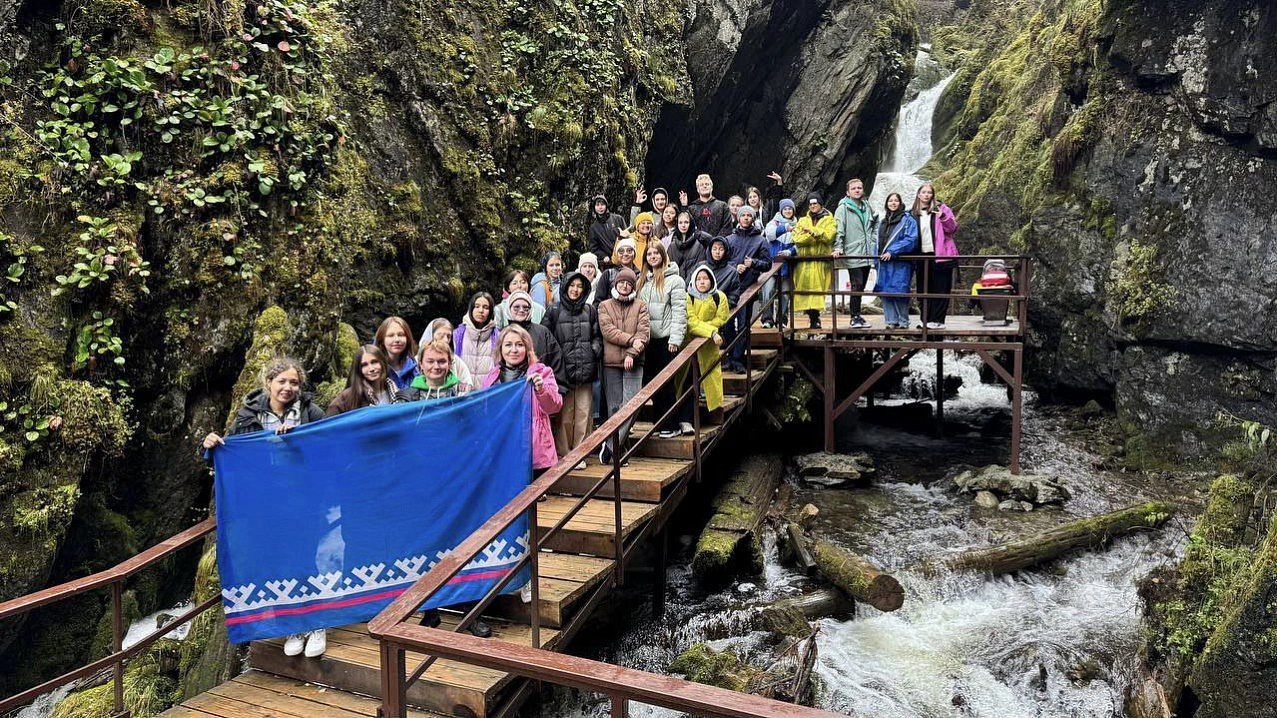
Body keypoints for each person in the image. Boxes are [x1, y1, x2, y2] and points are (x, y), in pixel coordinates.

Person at [201, 357, 328, 658]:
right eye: (281, 381)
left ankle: (318, 623)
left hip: (304, 500)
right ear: (268, 383)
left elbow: (326, 451)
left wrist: (296, 442)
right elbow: (231, 453)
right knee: (280, 563)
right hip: (266, 505)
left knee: (306, 560)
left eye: (293, 382)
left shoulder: (312, 413)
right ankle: (294, 626)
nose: (287, 387)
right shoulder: (248, 416)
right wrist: (210, 445)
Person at [481, 324, 563, 474]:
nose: (514, 350)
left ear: (527, 348)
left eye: (519, 345)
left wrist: (541, 389)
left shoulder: (542, 372)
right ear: (500, 348)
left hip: (534, 451)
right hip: (503, 449)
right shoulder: (491, 378)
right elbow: (484, 414)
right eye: (508, 345)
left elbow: (554, 406)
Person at [541, 272, 601, 467]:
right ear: (565, 287)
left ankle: (580, 452)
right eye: (572, 285)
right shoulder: (554, 310)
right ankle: (564, 453)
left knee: (584, 413)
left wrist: (594, 350)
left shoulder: (590, 310)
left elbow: (596, 336)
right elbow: (545, 337)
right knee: (565, 414)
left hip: (586, 368)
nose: (575, 289)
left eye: (579, 286)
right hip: (563, 371)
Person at [636, 242, 690, 437]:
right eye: (648, 254)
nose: (652, 257)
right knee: (653, 383)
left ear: (663, 255)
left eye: (655, 253)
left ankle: (671, 424)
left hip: (666, 338)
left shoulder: (675, 280)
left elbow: (679, 311)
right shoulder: (643, 280)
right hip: (647, 340)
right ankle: (659, 422)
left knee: (666, 383)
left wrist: (675, 339)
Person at [597, 267, 650, 464]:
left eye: (628, 284)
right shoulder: (604, 306)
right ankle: (621, 451)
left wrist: (631, 353)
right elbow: (608, 330)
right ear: (615, 284)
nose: (625, 286)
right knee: (615, 408)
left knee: (633, 405)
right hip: (610, 362)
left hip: (634, 362)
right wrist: (630, 341)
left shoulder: (641, 306)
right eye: (621, 283)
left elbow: (643, 333)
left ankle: (610, 445)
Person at [683, 263, 730, 418]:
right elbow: (691, 322)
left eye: (705, 279)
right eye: (699, 279)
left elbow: (722, 317)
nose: (702, 282)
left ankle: (714, 403)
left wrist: (708, 329)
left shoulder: (719, 297)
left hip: (710, 344)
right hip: (690, 341)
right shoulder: (688, 297)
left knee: (711, 369)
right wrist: (711, 332)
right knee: (687, 373)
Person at [911, 183, 959, 329]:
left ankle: (938, 320)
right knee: (923, 289)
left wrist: (943, 217)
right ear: (918, 195)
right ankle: (925, 319)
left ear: (933, 195)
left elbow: (952, 228)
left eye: (929, 192)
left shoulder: (942, 209)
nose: (926, 195)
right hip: (921, 256)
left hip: (941, 255)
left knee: (941, 288)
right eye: (923, 192)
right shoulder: (912, 213)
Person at [833, 178, 877, 327]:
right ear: (848, 192)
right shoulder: (843, 208)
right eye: (854, 188)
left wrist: (874, 240)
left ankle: (858, 315)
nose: (857, 190)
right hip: (853, 251)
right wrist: (838, 247)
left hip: (867, 252)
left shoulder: (867, 206)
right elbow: (839, 229)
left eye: (859, 188)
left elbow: (875, 222)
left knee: (862, 285)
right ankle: (855, 317)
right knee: (856, 284)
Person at [505, 290, 567, 394]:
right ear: (508, 308)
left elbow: (556, 361)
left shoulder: (542, 332)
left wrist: (557, 391)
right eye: (516, 307)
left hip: (540, 395)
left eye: (526, 307)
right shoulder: (503, 334)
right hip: (510, 396)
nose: (521, 310)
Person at [873, 192, 919, 330]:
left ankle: (903, 322)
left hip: (900, 262)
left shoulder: (907, 220)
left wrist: (893, 251)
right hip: (883, 262)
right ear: (886, 203)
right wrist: (875, 260)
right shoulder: (883, 221)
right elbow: (877, 241)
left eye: (896, 201)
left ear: (900, 203)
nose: (893, 203)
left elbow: (911, 239)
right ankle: (891, 321)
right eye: (890, 201)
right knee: (885, 291)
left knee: (899, 290)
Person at [791, 193, 836, 329]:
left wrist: (810, 232)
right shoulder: (802, 220)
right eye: (810, 204)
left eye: (815, 203)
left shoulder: (830, 220)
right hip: (804, 262)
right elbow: (797, 239)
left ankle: (816, 319)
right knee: (804, 291)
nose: (812, 206)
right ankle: (812, 318)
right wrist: (815, 235)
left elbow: (829, 236)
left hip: (820, 261)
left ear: (821, 204)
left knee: (818, 291)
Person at [326, 345, 402, 415]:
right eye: (364, 365)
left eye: (374, 362)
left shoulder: (397, 392)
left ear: (382, 363)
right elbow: (328, 425)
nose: (371, 369)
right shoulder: (347, 399)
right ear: (358, 369)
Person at [761, 198, 797, 328]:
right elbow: (769, 235)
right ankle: (767, 319)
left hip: (787, 265)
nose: (788, 211)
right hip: (772, 263)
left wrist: (791, 251)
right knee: (767, 292)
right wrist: (785, 228)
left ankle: (782, 320)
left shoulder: (798, 223)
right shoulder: (774, 222)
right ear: (781, 210)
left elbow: (800, 244)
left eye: (790, 209)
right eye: (785, 209)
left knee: (786, 293)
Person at [399, 340, 472, 401]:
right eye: (430, 362)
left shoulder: (464, 392)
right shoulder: (406, 398)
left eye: (442, 361)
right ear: (421, 364)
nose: (436, 367)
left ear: (449, 364)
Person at [421, 317, 476, 390]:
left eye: (448, 336)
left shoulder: (456, 361)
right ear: (431, 335)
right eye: (440, 335)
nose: (446, 340)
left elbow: (467, 386)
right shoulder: (417, 359)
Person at [454, 291, 498, 379]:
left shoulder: (497, 335)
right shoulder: (458, 334)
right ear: (471, 309)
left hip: (487, 390)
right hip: (463, 389)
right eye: (477, 306)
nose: (481, 311)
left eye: (485, 307)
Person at [593, 237, 640, 308]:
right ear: (617, 255)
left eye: (629, 251)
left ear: (634, 253)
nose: (625, 254)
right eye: (621, 251)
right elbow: (598, 301)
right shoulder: (608, 274)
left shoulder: (640, 275)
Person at [375, 316, 419, 390]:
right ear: (382, 340)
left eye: (401, 335)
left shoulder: (415, 369)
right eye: (391, 335)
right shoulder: (374, 369)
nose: (397, 339)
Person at [666, 210, 710, 282]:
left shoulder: (698, 245)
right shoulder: (672, 246)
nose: (683, 225)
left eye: (686, 222)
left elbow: (700, 268)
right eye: (680, 222)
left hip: (693, 284)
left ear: (691, 224)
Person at [588, 195, 628, 270]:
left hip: (624, 257)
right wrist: (603, 256)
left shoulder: (618, 219)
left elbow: (628, 236)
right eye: (597, 205)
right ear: (594, 208)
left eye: (602, 204)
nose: (600, 207)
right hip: (609, 262)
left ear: (606, 205)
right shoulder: (593, 228)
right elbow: (594, 248)